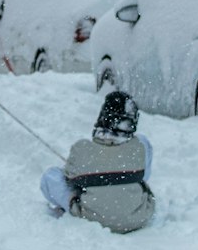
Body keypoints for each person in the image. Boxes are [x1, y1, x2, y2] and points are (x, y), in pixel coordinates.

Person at [40, 90, 155, 234]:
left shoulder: (82, 147)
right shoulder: (139, 146)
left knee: (51, 176)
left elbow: (69, 178)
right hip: (138, 217)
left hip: (92, 218)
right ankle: (129, 189)